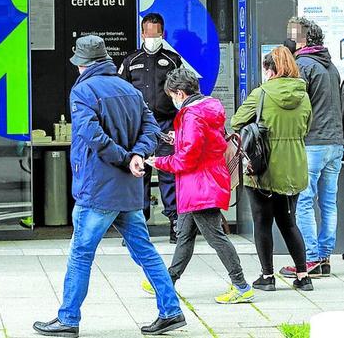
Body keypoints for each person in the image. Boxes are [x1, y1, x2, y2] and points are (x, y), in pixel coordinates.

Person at [33, 35, 185, 337]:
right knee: (145, 251)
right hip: (127, 189)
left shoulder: (83, 91)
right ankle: (171, 311)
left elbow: (92, 135)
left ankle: (68, 319)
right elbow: (151, 127)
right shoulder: (129, 88)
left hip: (98, 188)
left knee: (81, 252)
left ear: (84, 64)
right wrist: (137, 155)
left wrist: (126, 157)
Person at [145, 68, 254, 304]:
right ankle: (166, 281)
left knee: (216, 238)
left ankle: (241, 285)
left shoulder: (192, 115)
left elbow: (187, 157)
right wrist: (178, 137)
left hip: (199, 186)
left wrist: (160, 162)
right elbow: (206, 141)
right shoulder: (208, 108)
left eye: (172, 95)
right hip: (202, 182)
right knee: (184, 235)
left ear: (181, 94)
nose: (172, 99)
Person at [232, 46, 313, 291]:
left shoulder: (262, 93)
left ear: (269, 69)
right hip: (294, 167)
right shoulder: (304, 94)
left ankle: (267, 277)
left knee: (262, 222)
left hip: (263, 168)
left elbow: (236, 121)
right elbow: (306, 128)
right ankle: (302, 276)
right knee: (289, 222)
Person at [280, 18, 343, 278]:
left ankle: (311, 258)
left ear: (302, 40)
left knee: (304, 201)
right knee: (329, 202)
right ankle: (325, 257)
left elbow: (293, 103)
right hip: (335, 143)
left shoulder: (303, 65)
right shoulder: (333, 68)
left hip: (313, 143)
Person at [120, 12, 182, 244]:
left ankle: (175, 224)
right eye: (148, 34)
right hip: (139, 127)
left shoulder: (173, 60)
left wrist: (180, 125)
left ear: (162, 34)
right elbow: (122, 94)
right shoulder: (131, 60)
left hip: (166, 125)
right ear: (142, 33)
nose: (152, 38)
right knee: (138, 175)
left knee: (168, 174)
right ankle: (137, 227)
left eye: (156, 34)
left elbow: (184, 92)